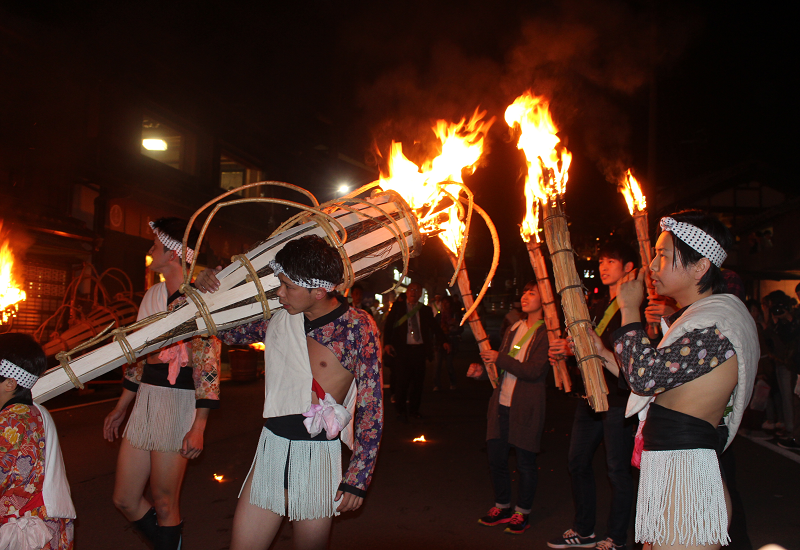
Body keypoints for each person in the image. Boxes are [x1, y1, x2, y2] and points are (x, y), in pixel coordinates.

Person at [195, 234, 382, 550]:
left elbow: (370, 408)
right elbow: (221, 330)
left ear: (319, 291)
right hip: (272, 449)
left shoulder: (357, 328)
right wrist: (208, 291)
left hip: (317, 457)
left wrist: (358, 478)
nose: (279, 293)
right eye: (279, 284)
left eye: (288, 287)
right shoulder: (278, 318)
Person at [592, 210, 758, 549]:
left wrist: (629, 311)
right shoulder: (700, 320)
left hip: (686, 479)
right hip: (672, 472)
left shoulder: (719, 324)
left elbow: (646, 376)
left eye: (663, 255)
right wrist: (599, 353)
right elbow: (653, 378)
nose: (652, 266)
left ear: (700, 267)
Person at [103, 217, 221, 549]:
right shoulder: (152, 295)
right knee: (124, 498)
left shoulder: (201, 296)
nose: (149, 250)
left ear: (172, 254)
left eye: (155, 246)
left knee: (165, 502)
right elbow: (138, 358)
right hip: (147, 400)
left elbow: (207, 366)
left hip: (180, 401)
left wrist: (199, 425)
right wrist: (120, 407)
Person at [547, 240, 638, 550]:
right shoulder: (597, 306)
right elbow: (590, 348)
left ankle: (616, 537)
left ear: (629, 268)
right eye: (601, 261)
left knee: (617, 470)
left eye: (611, 261)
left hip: (619, 398)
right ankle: (584, 529)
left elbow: (628, 356)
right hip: (590, 397)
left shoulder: (634, 308)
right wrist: (570, 349)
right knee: (577, 461)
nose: (603, 266)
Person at [477, 280, 549, 535]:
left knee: (526, 462)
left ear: (545, 299)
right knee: (496, 457)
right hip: (501, 403)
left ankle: (522, 512)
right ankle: (502, 505)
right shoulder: (514, 327)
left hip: (526, 405)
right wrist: (482, 372)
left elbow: (534, 370)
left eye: (533, 293)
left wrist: (500, 357)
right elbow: (503, 365)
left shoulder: (546, 333)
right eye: (525, 293)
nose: (526, 297)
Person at [0, 333, 76, 550]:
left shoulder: (10, 423)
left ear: (10, 383)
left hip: (27, 534)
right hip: (46, 525)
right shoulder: (35, 412)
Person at [382, 282, 448, 420]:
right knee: (402, 382)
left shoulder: (425, 310)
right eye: (411, 289)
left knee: (418, 383)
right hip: (402, 351)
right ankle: (400, 410)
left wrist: (444, 341)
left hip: (419, 351)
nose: (414, 292)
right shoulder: (398, 307)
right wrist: (387, 343)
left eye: (417, 290)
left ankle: (414, 410)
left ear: (420, 294)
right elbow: (388, 326)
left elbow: (435, 327)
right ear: (407, 292)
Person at [762, 291, 800, 449]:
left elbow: (792, 338)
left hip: (792, 363)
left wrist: (790, 320)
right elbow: (771, 337)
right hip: (782, 361)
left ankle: (793, 432)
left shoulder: (796, 317)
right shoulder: (779, 323)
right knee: (789, 398)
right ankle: (791, 430)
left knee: (791, 398)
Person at [433, 296, 462, 391]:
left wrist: (453, 328)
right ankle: (437, 384)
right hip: (439, 342)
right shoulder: (439, 316)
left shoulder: (455, 315)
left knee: (449, 364)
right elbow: (435, 330)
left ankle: (453, 383)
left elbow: (461, 329)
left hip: (451, 340)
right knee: (438, 364)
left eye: (447, 302)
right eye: (443, 302)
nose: (445, 305)